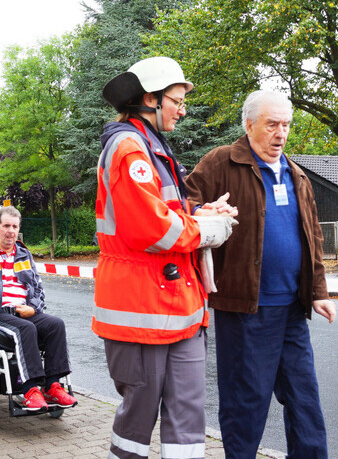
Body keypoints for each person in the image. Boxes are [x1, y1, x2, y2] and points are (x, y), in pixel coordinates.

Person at [93, 56, 237, 459]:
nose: (183, 109)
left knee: (188, 419)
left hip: (177, 305)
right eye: (176, 99)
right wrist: (204, 230)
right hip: (142, 308)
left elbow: (167, 214)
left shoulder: (149, 145)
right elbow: (150, 228)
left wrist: (200, 214)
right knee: (137, 423)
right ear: (149, 99)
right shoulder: (129, 148)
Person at [186, 90, 337, 458]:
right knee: (245, 404)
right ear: (250, 124)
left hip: (292, 309)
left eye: (285, 125)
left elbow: (312, 235)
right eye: (272, 124)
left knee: (305, 400)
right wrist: (204, 211)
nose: (280, 134)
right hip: (245, 309)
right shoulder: (222, 162)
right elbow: (183, 204)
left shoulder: (296, 173)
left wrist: (318, 290)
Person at [0, 206, 77, 411]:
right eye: (6, 226)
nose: (10, 231)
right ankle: (30, 390)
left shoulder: (24, 255)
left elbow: (38, 290)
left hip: (25, 312)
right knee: (26, 329)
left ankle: (53, 385)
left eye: (15, 226)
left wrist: (33, 308)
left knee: (56, 325)